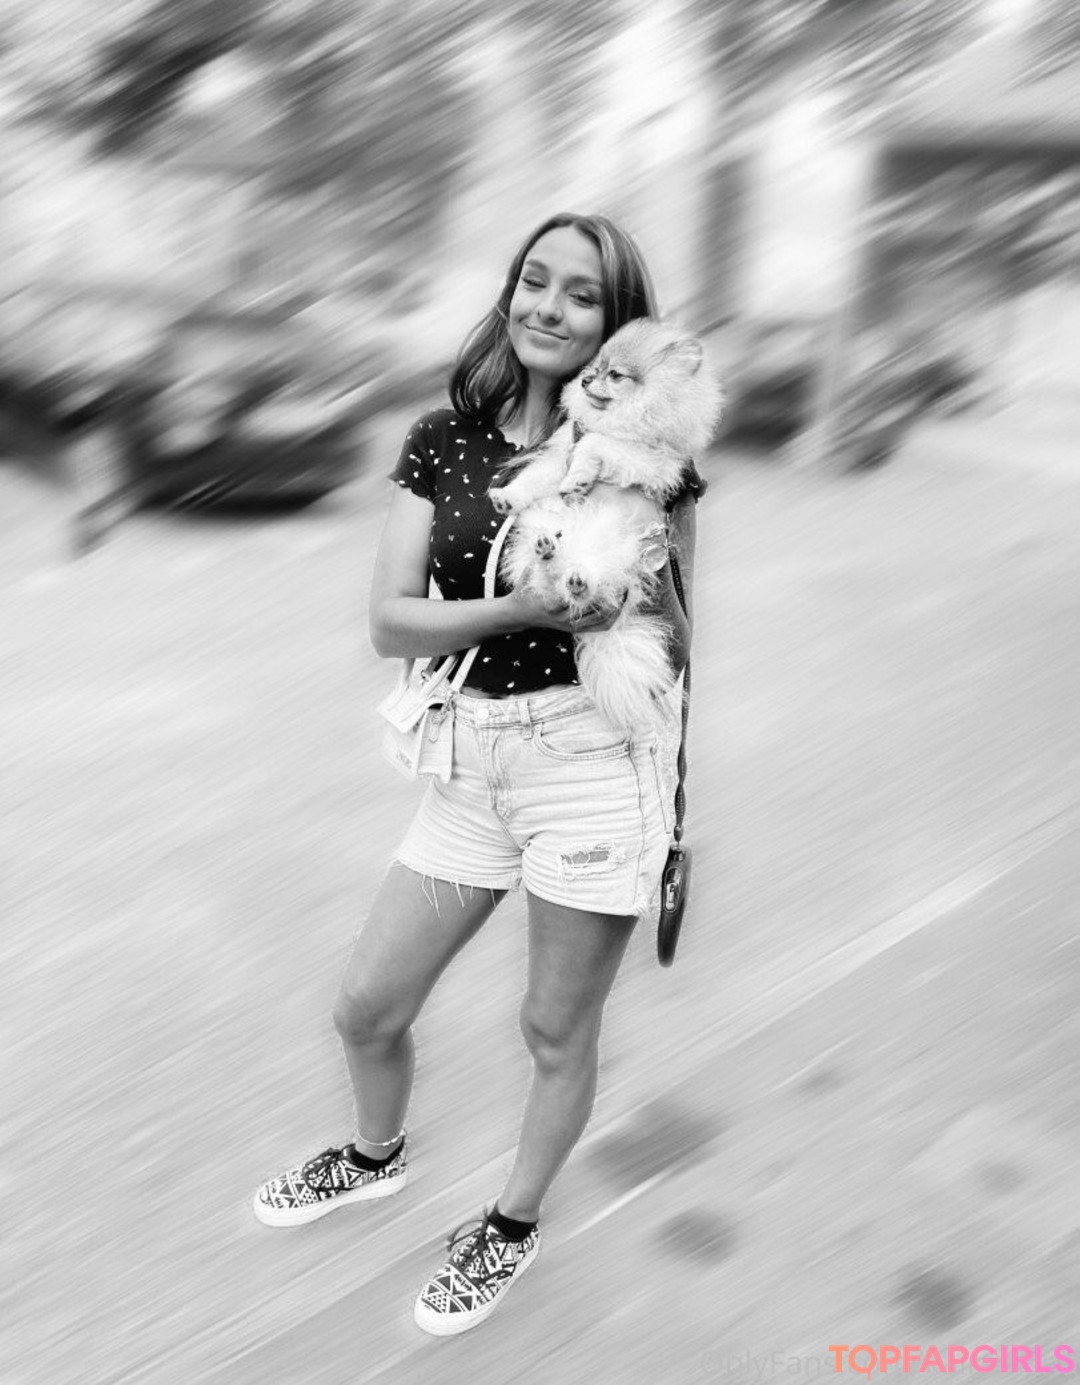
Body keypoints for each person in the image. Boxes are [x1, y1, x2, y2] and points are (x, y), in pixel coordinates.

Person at [253, 212, 705, 1336]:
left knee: (553, 1029)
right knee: (366, 1007)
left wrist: (636, 577)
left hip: (591, 762)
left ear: (619, 327)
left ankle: (510, 1221)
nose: (549, 307)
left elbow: (679, 639)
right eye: (534, 281)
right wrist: (519, 607)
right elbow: (390, 621)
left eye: (582, 294)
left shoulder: (656, 461)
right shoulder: (442, 440)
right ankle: (376, 1154)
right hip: (470, 758)